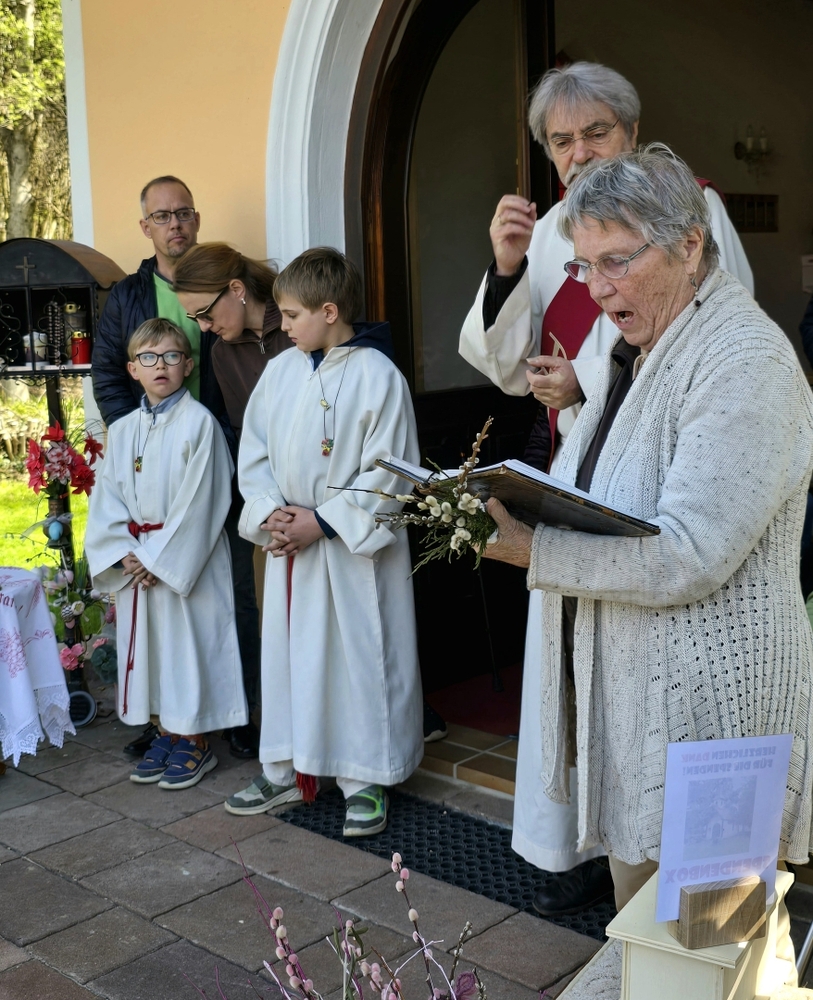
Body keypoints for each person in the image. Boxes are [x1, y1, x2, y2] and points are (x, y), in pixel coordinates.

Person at [481, 145, 813, 973]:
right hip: (651, 719)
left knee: (714, 955)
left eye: (616, 262)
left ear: (690, 246)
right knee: (659, 957)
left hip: (717, 731)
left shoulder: (742, 360)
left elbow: (688, 553)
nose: (595, 289)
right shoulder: (641, 349)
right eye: (583, 265)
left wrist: (535, 549)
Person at [458, 61, 754, 916]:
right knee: (573, 669)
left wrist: (585, 385)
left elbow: (714, 338)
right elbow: (505, 367)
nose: (579, 152)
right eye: (562, 140)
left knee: (638, 675)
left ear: (631, 130)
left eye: (596, 133)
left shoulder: (689, 207)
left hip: (660, 482)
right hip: (576, 468)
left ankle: (655, 861)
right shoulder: (550, 228)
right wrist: (507, 266)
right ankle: (586, 842)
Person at [225, 248, 423, 836]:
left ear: (329, 311)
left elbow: (393, 470)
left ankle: (366, 777)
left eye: (291, 315)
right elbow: (254, 451)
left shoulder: (378, 376)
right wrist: (271, 514)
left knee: (359, 660)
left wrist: (324, 522)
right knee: (293, 659)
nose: (282, 326)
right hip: (291, 546)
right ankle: (287, 767)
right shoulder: (281, 371)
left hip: (351, 550)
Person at [91, 184, 259, 762]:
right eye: (162, 216)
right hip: (149, 456)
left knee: (229, 597)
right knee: (160, 624)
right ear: (147, 227)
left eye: (183, 213)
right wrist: (140, 436)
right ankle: (166, 721)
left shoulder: (220, 281)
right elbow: (107, 372)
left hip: (215, 452)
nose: (175, 224)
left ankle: (233, 714)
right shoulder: (128, 296)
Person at [85, 319, 246, 789]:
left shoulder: (200, 425)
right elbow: (106, 500)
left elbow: (203, 500)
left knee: (189, 649)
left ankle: (195, 738)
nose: (161, 366)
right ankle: (165, 730)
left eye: (172, 356)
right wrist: (124, 553)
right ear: (132, 369)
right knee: (153, 651)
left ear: (188, 365)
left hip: (185, 560)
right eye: (149, 358)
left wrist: (155, 558)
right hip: (138, 561)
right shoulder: (123, 429)